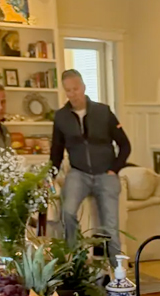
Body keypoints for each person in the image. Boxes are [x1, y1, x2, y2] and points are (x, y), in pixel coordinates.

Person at [50, 69, 131, 265]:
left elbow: (125, 145)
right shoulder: (61, 117)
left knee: (111, 225)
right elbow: (56, 151)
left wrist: (114, 169)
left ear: (84, 87)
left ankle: (117, 269)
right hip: (78, 174)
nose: (72, 94)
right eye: (68, 90)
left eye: (76, 88)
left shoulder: (103, 112)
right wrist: (50, 175)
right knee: (67, 212)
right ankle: (75, 260)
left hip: (106, 174)